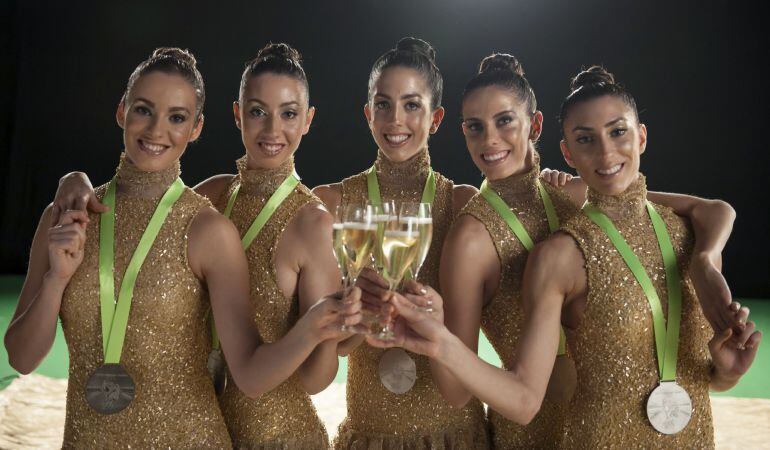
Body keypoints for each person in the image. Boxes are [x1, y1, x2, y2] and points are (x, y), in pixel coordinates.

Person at [369, 66, 760, 448]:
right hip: (533, 429)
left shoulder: (575, 190)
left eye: (505, 121)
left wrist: (703, 261)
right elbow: (455, 393)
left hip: (611, 419)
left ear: (534, 127)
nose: (490, 140)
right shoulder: (472, 236)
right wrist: (438, 333)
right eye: (476, 127)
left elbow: (709, 210)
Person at [4, 47, 361, 448]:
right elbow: (20, 357)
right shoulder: (80, 213)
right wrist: (60, 259)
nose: (157, 129)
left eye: (176, 117)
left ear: (196, 127)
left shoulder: (217, 227)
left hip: (232, 435)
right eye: (143, 109)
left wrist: (325, 328)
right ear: (122, 111)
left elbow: (287, 374)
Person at [313, 37, 489, 448]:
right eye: (383, 104)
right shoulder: (334, 202)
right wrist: (358, 313)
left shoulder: (462, 204)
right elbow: (334, 349)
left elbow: (465, 372)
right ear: (367, 113)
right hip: (370, 433)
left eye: (412, 105)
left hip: (453, 432)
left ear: (436, 118)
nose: (396, 120)